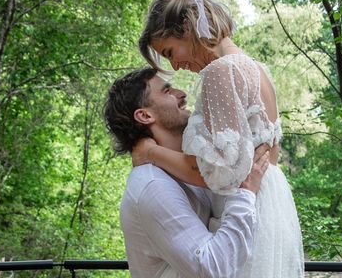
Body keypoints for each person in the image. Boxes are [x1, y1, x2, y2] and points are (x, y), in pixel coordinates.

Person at [134, 0, 304, 278]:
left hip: (244, 211)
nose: (174, 64)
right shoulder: (256, 68)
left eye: (170, 51)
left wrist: (152, 153)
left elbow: (220, 173)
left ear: (187, 27)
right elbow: (271, 154)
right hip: (272, 210)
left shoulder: (219, 72)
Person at [104, 67, 271, 278]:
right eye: (167, 91)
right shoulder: (152, 185)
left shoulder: (189, 168)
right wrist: (245, 192)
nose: (181, 93)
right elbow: (212, 268)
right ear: (145, 115)